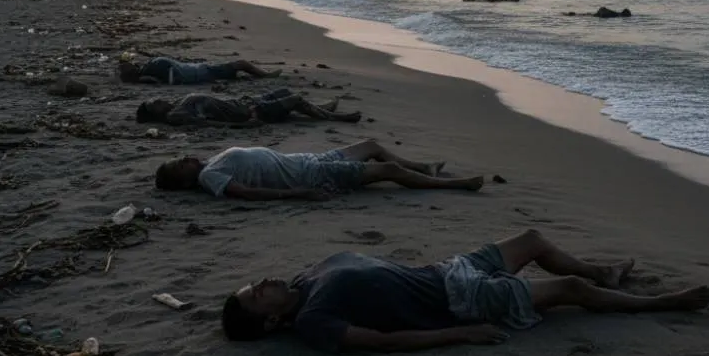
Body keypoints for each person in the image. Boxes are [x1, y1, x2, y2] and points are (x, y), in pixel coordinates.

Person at [220, 228, 709, 352]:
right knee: (566, 289)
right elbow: (386, 343)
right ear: (270, 321)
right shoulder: (312, 322)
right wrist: (463, 335)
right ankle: (662, 303)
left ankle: (605, 274)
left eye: (256, 283)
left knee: (533, 239)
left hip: (448, 270)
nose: (264, 283)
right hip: (460, 301)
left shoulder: (305, 282)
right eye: (257, 294)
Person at [154, 139, 485, 199]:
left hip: (308, 160)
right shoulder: (208, 177)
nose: (183, 158)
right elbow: (249, 193)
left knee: (370, 145)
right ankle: (455, 185)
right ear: (183, 182)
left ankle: (424, 167)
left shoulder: (210, 162)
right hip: (311, 176)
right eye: (177, 165)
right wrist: (301, 194)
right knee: (386, 169)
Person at [136, 88, 361, 127]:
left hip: (245, 103)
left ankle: (322, 108)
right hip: (249, 112)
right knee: (294, 100)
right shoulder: (177, 115)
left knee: (284, 93)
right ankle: (335, 117)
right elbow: (208, 124)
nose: (158, 100)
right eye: (154, 104)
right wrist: (246, 125)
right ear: (154, 114)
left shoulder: (176, 105)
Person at [119, 56, 281, 85]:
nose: (132, 63)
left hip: (198, 70)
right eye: (130, 65)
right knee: (241, 63)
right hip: (200, 72)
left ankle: (257, 75)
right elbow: (163, 80)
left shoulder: (147, 69)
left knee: (234, 70)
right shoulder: (148, 72)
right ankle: (265, 75)